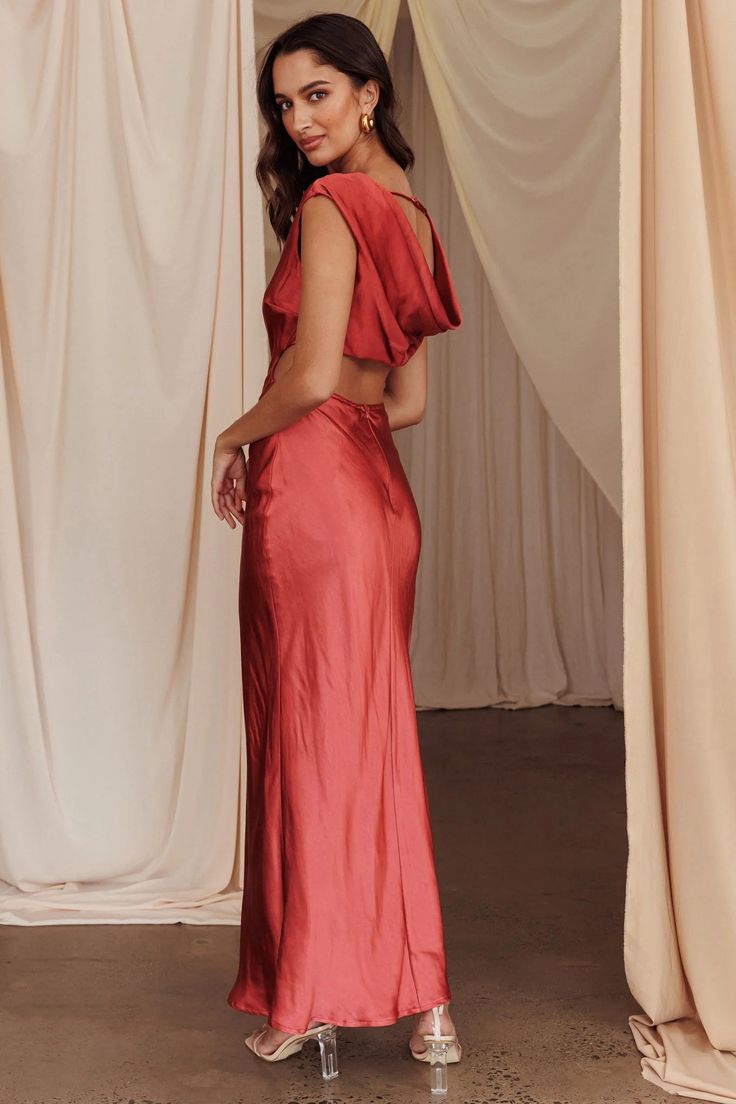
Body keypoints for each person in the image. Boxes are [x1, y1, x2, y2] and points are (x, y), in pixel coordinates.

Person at [210, 12, 464, 1092]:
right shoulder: (404, 204)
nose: (297, 119)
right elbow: (399, 401)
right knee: (370, 743)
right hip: (377, 505)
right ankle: (430, 1011)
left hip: (313, 503)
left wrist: (234, 432)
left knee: (312, 743)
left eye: (317, 93)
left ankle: (310, 994)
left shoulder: (328, 205)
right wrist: (303, 397)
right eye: (282, 101)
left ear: (369, 90)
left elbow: (311, 377)